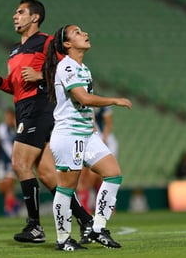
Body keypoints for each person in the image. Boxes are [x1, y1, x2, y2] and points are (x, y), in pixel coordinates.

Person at [0, 0, 93, 243]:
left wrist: (41, 76)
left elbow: (66, 68)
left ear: (34, 18)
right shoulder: (13, 50)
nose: (15, 16)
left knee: (19, 162)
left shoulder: (46, 42)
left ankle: (34, 226)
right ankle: (87, 221)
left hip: (40, 106)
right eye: (15, 12)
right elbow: (16, 86)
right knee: (46, 174)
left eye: (20, 12)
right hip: (24, 107)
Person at [44, 24, 132, 251]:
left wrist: (92, 126)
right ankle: (63, 239)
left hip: (86, 134)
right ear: (67, 44)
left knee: (113, 174)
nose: (85, 34)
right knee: (66, 188)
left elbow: (86, 106)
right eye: (77, 33)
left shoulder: (85, 69)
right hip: (68, 135)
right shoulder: (66, 67)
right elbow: (83, 98)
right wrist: (114, 100)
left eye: (82, 31)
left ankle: (97, 228)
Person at [77, 107, 117, 213]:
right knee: (84, 175)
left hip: (99, 139)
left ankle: (104, 204)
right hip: (84, 138)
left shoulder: (99, 103)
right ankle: (87, 206)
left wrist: (103, 138)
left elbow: (108, 123)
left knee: (99, 174)